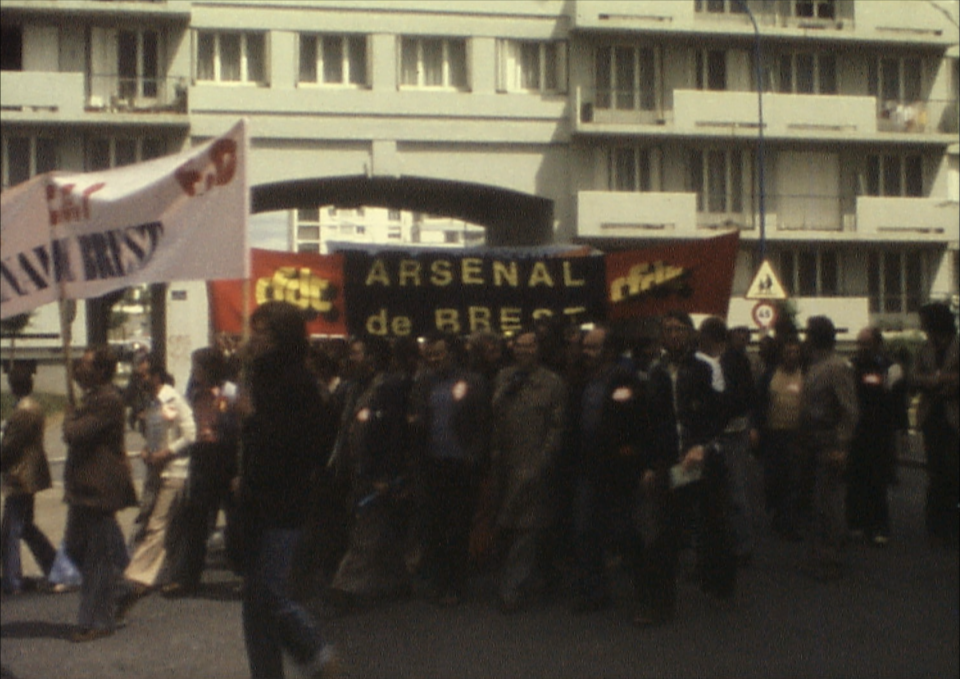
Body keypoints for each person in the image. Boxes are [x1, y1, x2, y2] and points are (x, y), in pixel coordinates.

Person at [234, 301, 339, 679]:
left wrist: (253, 419)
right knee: (254, 604)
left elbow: (303, 447)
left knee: (271, 595)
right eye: (254, 329)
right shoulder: (256, 375)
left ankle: (318, 654)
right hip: (255, 502)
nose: (255, 338)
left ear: (283, 336)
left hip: (284, 504)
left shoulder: (298, 382)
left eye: (263, 331)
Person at [637, 311, 735, 626]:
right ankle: (659, 605)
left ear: (690, 333)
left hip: (704, 460)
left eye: (679, 329)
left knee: (714, 525)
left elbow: (720, 415)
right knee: (662, 534)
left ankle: (720, 585)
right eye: (668, 329)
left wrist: (702, 446)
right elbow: (651, 422)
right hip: (671, 462)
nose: (674, 334)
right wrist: (652, 464)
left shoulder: (709, 367)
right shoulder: (655, 372)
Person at [328, 336, 412, 608]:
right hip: (355, 469)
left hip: (375, 472)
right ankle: (397, 581)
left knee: (367, 530)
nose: (351, 358)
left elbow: (394, 434)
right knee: (379, 529)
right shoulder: (353, 388)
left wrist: (386, 474)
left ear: (373, 358)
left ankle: (343, 590)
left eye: (356, 352)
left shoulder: (389, 388)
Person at [62, 346, 138, 642]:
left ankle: (98, 621)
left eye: (84, 365)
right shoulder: (93, 398)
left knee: (96, 559)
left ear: (102, 371)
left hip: (98, 488)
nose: (79, 370)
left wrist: (69, 417)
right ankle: (122, 590)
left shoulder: (108, 400)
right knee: (74, 549)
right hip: (83, 488)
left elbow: (75, 434)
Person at [408, 332, 490, 606]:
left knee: (458, 526)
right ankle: (440, 581)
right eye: (430, 354)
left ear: (452, 353)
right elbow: (417, 418)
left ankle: (456, 584)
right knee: (436, 525)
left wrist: (475, 456)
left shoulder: (472, 381)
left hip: (461, 464)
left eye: (439, 353)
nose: (434, 358)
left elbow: (482, 422)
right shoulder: (424, 382)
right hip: (433, 463)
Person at [569, 324, 646, 614]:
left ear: (609, 351)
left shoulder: (624, 379)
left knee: (624, 529)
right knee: (585, 529)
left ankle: (646, 585)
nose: (587, 353)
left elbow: (635, 422)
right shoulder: (582, 379)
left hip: (616, 469)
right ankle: (593, 590)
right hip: (587, 467)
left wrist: (630, 457)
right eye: (585, 347)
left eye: (593, 348)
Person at [488, 328, 566, 612]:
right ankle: (525, 579)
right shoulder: (504, 378)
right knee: (506, 526)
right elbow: (495, 417)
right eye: (519, 346)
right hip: (504, 465)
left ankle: (513, 588)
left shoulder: (552, 383)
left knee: (528, 529)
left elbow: (556, 429)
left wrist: (542, 461)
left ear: (538, 349)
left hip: (534, 465)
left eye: (529, 346)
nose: (524, 352)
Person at [117, 353, 195, 612]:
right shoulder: (151, 403)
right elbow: (154, 434)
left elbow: (191, 434)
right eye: (138, 376)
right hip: (155, 470)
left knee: (157, 524)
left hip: (174, 471)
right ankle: (167, 572)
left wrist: (168, 452)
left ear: (157, 375)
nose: (141, 380)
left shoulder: (175, 399)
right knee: (152, 521)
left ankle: (137, 576)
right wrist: (148, 452)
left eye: (144, 375)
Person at [166, 347, 239, 595]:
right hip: (202, 459)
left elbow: (239, 427)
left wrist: (220, 432)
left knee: (236, 520)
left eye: (197, 367)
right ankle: (188, 577)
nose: (194, 372)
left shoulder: (230, 392)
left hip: (226, 459)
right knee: (195, 519)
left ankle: (242, 574)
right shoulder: (194, 393)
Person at [799, 316, 858, 582]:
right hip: (814, 441)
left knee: (830, 503)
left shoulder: (836, 367)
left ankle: (832, 557)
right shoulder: (816, 365)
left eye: (808, 334)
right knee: (819, 502)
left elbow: (849, 410)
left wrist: (842, 445)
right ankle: (822, 553)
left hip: (830, 442)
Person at [1, 361, 56, 595]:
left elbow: (10, 447)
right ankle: (55, 567)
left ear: (13, 385)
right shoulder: (31, 407)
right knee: (25, 528)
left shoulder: (23, 411)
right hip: (27, 474)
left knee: (11, 530)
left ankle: (12, 581)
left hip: (21, 476)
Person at [910, 302, 959, 548]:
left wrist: (947, 379)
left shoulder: (957, 345)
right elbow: (915, 375)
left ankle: (951, 524)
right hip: (932, 417)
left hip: (954, 417)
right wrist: (930, 381)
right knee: (936, 472)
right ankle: (936, 528)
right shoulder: (925, 349)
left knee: (953, 473)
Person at [846, 327, 898, 546]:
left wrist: (900, 431)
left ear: (877, 344)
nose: (862, 348)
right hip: (857, 431)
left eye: (866, 343)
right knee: (855, 479)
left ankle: (879, 528)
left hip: (881, 433)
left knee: (878, 480)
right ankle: (856, 526)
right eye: (860, 343)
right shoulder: (850, 365)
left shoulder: (890, 368)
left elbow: (897, 400)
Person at [754, 335, 806, 541]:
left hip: (796, 435)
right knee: (775, 478)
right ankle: (777, 513)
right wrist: (756, 429)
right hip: (774, 434)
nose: (792, 356)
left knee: (793, 479)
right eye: (788, 352)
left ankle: (789, 522)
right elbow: (759, 403)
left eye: (795, 352)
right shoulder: (770, 375)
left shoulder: (805, 375)